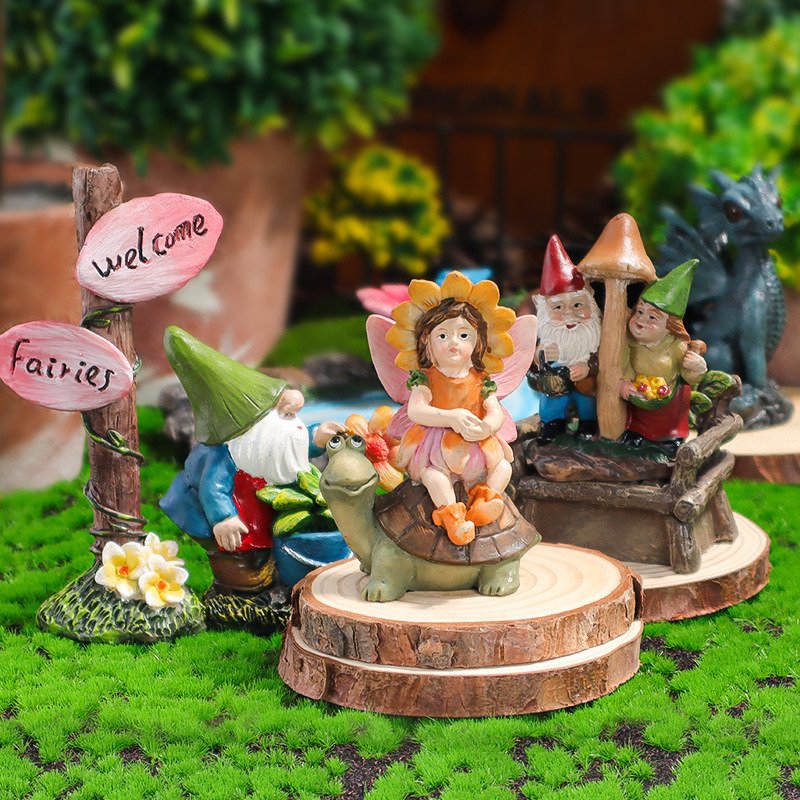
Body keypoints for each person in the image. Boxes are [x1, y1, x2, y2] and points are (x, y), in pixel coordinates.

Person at [160, 327, 342, 554]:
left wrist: (316, 437)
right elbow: (212, 489)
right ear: (256, 424)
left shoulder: (263, 440)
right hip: (220, 514)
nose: (294, 422)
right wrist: (223, 518)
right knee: (235, 551)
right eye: (286, 414)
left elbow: (285, 448)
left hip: (259, 503)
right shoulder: (223, 453)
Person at [383, 272, 528, 546]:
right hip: (436, 446)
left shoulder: (481, 379)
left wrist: (487, 426)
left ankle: (485, 502)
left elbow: (494, 410)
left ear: (477, 342)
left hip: (478, 444)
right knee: (434, 476)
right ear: (426, 343)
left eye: (463, 335)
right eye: (442, 335)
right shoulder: (425, 378)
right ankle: (453, 518)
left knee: (503, 468)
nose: (453, 342)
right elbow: (416, 411)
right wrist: (452, 417)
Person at [619, 260, 707, 457]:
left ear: (670, 327)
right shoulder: (629, 341)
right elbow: (624, 365)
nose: (641, 320)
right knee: (637, 414)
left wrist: (697, 367)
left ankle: (670, 437)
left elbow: (688, 377)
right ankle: (636, 432)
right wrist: (625, 383)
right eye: (639, 311)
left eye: (653, 318)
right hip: (639, 395)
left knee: (673, 406)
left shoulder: (677, 346)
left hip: (669, 398)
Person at [529, 235, 601, 445]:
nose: (569, 314)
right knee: (551, 402)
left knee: (588, 402)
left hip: (586, 383)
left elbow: (605, 358)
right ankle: (552, 425)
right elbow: (533, 360)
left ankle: (588, 425)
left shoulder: (596, 333)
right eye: (558, 307)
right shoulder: (545, 333)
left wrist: (589, 367)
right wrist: (540, 355)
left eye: (577, 305)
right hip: (555, 383)